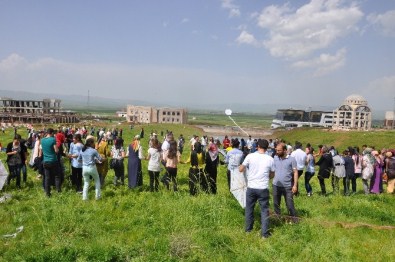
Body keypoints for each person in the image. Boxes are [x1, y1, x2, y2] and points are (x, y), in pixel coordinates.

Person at [239, 139, 275, 239]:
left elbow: (241, 169)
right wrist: (267, 177)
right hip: (263, 188)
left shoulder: (250, 156)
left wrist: (242, 167)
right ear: (267, 147)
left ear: (257, 146)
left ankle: (248, 230)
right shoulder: (270, 159)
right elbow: (272, 174)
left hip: (251, 187)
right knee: (264, 210)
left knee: (249, 209)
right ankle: (264, 234)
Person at [272, 143, 298, 223]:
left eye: (279, 150)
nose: (277, 152)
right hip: (276, 186)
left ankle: (294, 220)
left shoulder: (292, 159)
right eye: (276, 150)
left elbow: (295, 172)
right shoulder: (275, 158)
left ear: (285, 150)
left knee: (290, 205)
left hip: (287, 187)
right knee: (276, 204)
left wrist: (295, 185)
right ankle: (278, 219)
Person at [40, 128, 61, 197]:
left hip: (45, 161)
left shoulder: (42, 140)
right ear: (51, 133)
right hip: (53, 160)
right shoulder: (52, 139)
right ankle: (58, 191)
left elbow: (42, 151)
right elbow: (56, 150)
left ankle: (47, 193)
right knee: (57, 176)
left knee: (47, 177)